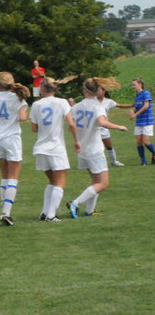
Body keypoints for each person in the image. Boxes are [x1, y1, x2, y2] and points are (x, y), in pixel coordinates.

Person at [66, 78, 128, 218]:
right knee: (103, 183)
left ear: (84, 90)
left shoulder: (76, 107)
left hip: (82, 150)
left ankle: (89, 211)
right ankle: (75, 203)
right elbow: (102, 122)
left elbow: (71, 126)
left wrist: (77, 139)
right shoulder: (97, 106)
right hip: (94, 150)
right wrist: (119, 126)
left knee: (95, 182)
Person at [29, 76, 79, 222]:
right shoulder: (62, 102)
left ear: (43, 88)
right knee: (60, 182)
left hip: (40, 147)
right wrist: (76, 141)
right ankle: (51, 215)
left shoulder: (36, 104)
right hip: (56, 147)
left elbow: (34, 128)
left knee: (52, 181)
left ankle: (45, 212)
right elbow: (71, 124)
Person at [0, 72, 30, 226]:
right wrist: (12, 120)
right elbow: (23, 118)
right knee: (13, 176)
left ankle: (4, 210)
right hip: (12, 138)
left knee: (4, 176)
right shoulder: (17, 97)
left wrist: (1, 123)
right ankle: (6, 213)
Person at [116, 78, 154, 165]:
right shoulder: (137, 97)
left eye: (134, 84)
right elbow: (137, 108)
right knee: (139, 142)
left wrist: (135, 114)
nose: (132, 86)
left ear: (140, 84)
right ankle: (143, 161)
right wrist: (132, 112)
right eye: (132, 85)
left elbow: (146, 106)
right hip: (139, 122)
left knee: (146, 142)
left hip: (147, 121)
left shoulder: (146, 93)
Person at [96, 83, 125, 167]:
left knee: (109, 146)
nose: (97, 92)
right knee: (97, 147)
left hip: (104, 127)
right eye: (96, 90)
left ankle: (114, 161)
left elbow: (120, 105)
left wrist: (133, 105)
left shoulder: (108, 102)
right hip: (94, 128)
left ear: (104, 91)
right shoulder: (92, 101)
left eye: (99, 90)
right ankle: (98, 163)